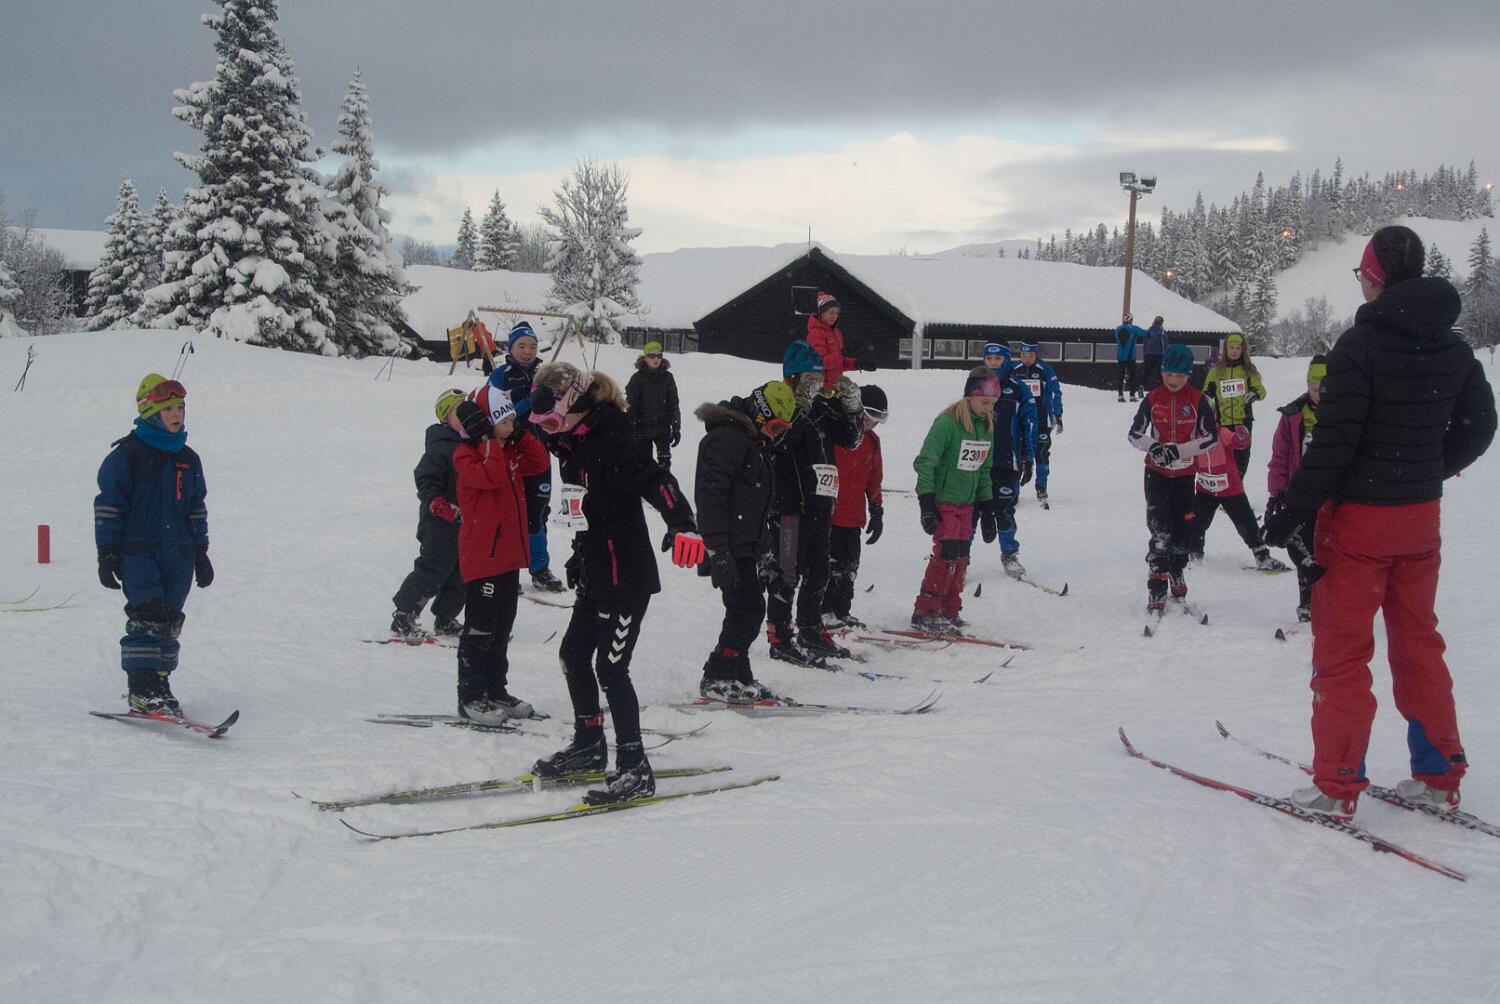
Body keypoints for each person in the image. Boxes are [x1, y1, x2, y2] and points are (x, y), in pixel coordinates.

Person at [1263, 226, 1495, 820]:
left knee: (1343, 652)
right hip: (1419, 521)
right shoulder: (1453, 347)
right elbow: (1481, 425)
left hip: (1358, 524)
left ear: (1374, 278)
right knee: (1420, 643)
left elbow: (1334, 445)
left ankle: (1338, 783)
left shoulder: (1358, 348)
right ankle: (1439, 773)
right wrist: (1428, 469)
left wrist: (1289, 511)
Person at [525, 362, 704, 804]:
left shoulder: (615, 438)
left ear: (576, 403)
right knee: (572, 656)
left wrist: (683, 523)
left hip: (626, 577)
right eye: (542, 425)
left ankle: (634, 766)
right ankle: (588, 744)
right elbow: (586, 511)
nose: (548, 432)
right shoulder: (573, 443)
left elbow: (657, 480)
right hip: (595, 572)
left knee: (611, 668)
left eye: (552, 422)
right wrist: (577, 555)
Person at [94, 374, 212, 716]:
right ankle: (141, 687)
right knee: (148, 615)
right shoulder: (127, 456)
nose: (176, 415)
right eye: (168, 409)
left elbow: (196, 507)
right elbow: (109, 506)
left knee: (170, 618)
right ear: (150, 413)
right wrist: (107, 551)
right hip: (140, 551)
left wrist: (201, 551)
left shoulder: (188, 458)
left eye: (180, 408)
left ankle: (160, 682)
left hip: (179, 554)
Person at [450, 384, 550, 724]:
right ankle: (471, 696)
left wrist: (517, 434)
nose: (512, 425)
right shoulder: (467, 455)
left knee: (502, 627)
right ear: (486, 425)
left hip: (509, 556)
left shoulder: (508, 450)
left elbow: (539, 462)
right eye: (504, 421)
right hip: (484, 557)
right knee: (481, 630)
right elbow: (491, 477)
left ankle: (495, 689)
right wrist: (488, 440)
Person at [762, 340, 865, 665]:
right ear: (792, 377)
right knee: (786, 572)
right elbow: (779, 442)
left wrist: (853, 408)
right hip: (788, 504)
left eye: (818, 378)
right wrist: (799, 406)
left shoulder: (822, 405)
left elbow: (851, 440)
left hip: (820, 502)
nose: (815, 385)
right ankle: (780, 636)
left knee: (820, 571)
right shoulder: (776, 402)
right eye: (809, 379)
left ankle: (810, 628)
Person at [694, 380, 797, 701]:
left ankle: (738, 674)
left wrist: (764, 552)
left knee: (745, 609)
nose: (777, 435)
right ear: (760, 412)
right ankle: (718, 675)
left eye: (784, 430)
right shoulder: (727, 440)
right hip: (727, 544)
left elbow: (755, 504)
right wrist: (717, 550)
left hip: (744, 544)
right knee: (748, 610)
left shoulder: (751, 442)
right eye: (776, 427)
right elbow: (710, 497)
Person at [1128, 344, 1217, 612]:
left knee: (1182, 531)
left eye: (1179, 375)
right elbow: (1134, 434)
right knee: (1160, 529)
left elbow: (1211, 437)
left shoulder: (1199, 400)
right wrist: (1155, 447)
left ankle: (1176, 570)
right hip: (1156, 474)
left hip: (1185, 475)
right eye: (1169, 374)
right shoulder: (1153, 398)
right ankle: (1157, 584)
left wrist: (1179, 450)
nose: (1173, 380)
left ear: (1188, 375)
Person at [911, 368, 997, 632]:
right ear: (970, 396)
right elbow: (925, 462)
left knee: (961, 556)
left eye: (993, 404)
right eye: (984, 402)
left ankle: (949, 609)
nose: (988, 409)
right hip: (944, 501)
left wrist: (987, 508)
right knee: (946, 554)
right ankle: (926, 611)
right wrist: (926, 502)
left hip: (967, 505)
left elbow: (984, 469)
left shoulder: (986, 427)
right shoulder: (947, 423)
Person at [489, 321, 565, 592]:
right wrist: (528, 402)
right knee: (508, 512)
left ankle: (540, 569)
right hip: (511, 453)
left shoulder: (546, 374)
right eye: (521, 345)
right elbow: (495, 413)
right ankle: (506, 570)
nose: (527, 351)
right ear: (510, 348)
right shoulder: (500, 375)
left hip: (539, 453)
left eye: (532, 346)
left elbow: (561, 410)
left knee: (538, 511)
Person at [390, 388, 468, 640]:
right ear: (446, 418)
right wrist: (436, 502)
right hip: (439, 521)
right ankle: (404, 615)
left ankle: (446, 617)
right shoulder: (440, 445)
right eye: (459, 413)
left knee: (462, 571)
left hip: (465, 520)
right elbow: (425, 477)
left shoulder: (472, 444)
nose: (466, 417)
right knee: (433, 568)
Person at [1266, 356, 1327, 622]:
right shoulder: (1293, 415)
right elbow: (1280, 456)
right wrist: (1276, 492)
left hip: (1332, 497)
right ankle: (1307, 603)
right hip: (1299, 493)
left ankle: (1330, 602)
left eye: (1325, 389)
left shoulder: (1344, 413)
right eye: (1315, 388)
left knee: (1329, 549)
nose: (1320, 394)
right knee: (1298, 543)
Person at [824, 384, 887, 629]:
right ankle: (823, 610)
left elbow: (874, 478)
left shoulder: (872, 441)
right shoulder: (837, 436)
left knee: (850, 566)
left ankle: (842, 610)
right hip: (830, 516)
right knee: (830, 566)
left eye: (878, 421)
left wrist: (876, 509)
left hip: (854, 517)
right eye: (870, 418)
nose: (873, 425)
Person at [1187, 424, 1286, 571]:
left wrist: (1242, 436)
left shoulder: (1220, 431)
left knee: (1246, 522)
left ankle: (1262, 555)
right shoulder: (1191, 435)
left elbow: (1238, 443)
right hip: (1205, 489)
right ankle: (1194, 554)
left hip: (1230, 488)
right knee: (1197, 522)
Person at [980, 343, 1037, 579]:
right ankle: (960, 557)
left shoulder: (1018, 388)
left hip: (1007, 461)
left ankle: (1010, 555)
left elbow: (1029, 425)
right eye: (989, 359)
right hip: (979, 461)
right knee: (971, 511)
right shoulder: (976, 385)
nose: (993, 363)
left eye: (998, 359)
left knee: (1004, 510)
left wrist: (1029, 457)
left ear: (1007, 359)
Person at [1202, 333, 1267, 476]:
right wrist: (1205, 402)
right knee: (1222, 461)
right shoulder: (1215, 371)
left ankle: (1238, 485)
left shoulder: (1248, 370)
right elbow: (1206, 394)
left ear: (1243, 350)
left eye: (1238, 348)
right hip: (1222, 424)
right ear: (1225, 349)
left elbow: (1261, 390)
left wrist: (1255, 394)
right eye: (1231, 347)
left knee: (1240, 463)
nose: (1235, 351)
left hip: (1243, 423)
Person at [1014, 341, 1063, 505]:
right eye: (1023, 355)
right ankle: (1013, 490)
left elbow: (1055, 392)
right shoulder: (1015, 369)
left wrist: (1058, 414)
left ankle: (1041, 487)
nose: (1026, 359)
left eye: (1030, 356)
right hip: (1021, 420)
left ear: (1036, 355)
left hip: (1042, 419)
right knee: (1017, 454)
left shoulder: (1045, 369)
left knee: (1041, 453)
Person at [624, 340, 681, 469]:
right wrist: (631, 427)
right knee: (644, 465)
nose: (656, 359)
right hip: (641, 429)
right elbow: (631, 405)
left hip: (662, 428)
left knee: (664, 464)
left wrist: (676, 427)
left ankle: (663, 481)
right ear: (645, 358)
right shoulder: (637, 379)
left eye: (659, 355)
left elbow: (673, 404)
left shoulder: (668, 378)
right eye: (652, 355)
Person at [804, 291, 859, 388]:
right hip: (820, 388)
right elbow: (819, 364)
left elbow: (839, 364)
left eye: (837, 313)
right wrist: (842, 354)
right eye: (831, 312)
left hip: (835, 386)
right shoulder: (815, 333)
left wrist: (857, 364)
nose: (835, 316)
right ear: (822, 312)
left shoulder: (836, 333)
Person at [1114, 313, 1148, 402]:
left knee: (1120, 376)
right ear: (1131, 320)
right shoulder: (1134, 329)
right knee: (1133, 376)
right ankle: (1132, 395)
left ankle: (1120, 395)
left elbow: (1116, 337)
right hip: (1130, 357)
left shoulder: (1118, 329)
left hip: (1120, 356)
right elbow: (1146, 334)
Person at [1140, 315, 1170, 391]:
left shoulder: (1148, 331)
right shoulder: (1162, 332)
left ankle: (1141, 385)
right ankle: (1160, 388)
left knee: (1146, 372)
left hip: (1148, 355)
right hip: (1159, 355)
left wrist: (1145, 355)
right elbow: (1165, 344)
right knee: (1160, 373)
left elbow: (1145, 344)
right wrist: (1166, 354)